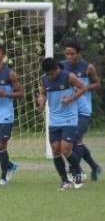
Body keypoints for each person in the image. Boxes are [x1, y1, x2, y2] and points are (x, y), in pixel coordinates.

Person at [37, 57, 86, 189]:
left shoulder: (69, 77)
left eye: (52, 74)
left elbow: (83, 88)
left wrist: (71, 99)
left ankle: (78, 171)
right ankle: (65, 181)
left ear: (57, 69)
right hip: (54, 119)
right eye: (48, 74)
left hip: (69, 118)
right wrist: (41, 100)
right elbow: (43, 93)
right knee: (55, 150)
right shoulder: (44, 79)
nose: (50, 77)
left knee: (65, 149)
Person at [60, 41, 102, 180]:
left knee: (75, 139)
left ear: (78, 53)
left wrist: (84, 87)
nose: (69, 56)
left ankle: (74, 171)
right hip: (68, 110)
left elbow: (97, 84)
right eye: (67, 53)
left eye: (72, 54)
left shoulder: (88, 67)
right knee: (77, 141)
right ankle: (95, 167)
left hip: (83, 109)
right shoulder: (62, 66)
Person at [0, 44, 24, 186]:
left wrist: (5, 94)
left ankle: (3, 177)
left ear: (2, 56)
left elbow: (20, 93)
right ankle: (10, 166)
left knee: (1, 146)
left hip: (6, 116)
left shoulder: (9, 74)